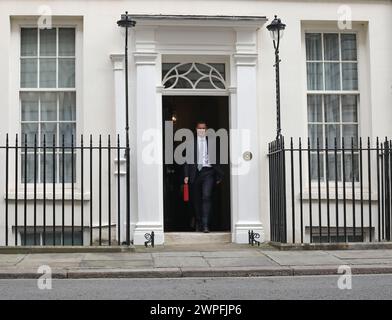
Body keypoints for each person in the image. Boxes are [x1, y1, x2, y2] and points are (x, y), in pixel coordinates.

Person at [183, 120, 224, 233]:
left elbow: (218, 159)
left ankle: (205, 225)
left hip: (208, 172)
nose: (201, 130)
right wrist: (186, 175)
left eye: (203, 128)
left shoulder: (212, 142)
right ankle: (199, 222)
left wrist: (219, 175)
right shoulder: (191, 143)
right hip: (195, 173)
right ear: (196, 130)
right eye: (199, 128)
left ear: (206, 130)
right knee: (196, 200)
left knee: (206, 197)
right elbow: (187, 161)